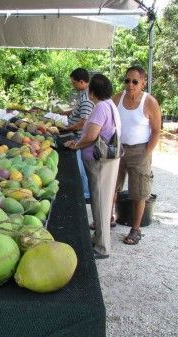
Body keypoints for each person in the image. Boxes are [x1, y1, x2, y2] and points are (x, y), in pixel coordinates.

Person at [65, 74, 121, 259]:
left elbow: (91, 136)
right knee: (101, 200)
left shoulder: (100, 108)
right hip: (107, 161)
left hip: (98, 161)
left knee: (100, 203)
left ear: (93, 91)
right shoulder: (111, 105)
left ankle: (102, 247)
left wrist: (76, 145)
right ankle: (97, 238)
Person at [112, 65, 161, 245]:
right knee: (112, 186)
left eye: (134, 81)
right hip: (118, 149)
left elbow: (156, 131)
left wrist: (146, 153)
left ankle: (136, 229)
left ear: (143, 83)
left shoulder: (149, 102)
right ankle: (110, 218)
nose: (130, 85)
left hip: (140, 150)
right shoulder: (117, 98)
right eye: (127, 80)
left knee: (139, 192)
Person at [58, 68, 94, 201]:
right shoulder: (84, 94)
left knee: (81, 168)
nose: (73, 85)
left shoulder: (86, 98)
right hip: (77, 134)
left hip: (79, 136)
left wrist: (67, 128)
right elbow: (77, 110)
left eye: (74, 83)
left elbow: (83, 122)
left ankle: (85, 195)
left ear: (82, 82)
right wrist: (65, 113)